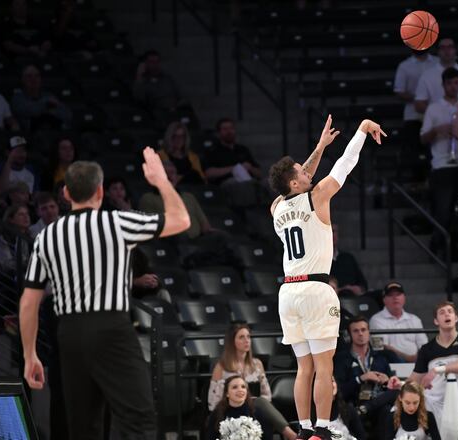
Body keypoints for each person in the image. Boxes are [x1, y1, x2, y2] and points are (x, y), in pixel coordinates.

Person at [20, 150, 192, 439]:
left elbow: (29, 302)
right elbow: (181, 220)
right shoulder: (117, 222)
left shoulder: (47, 235)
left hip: (69, 333)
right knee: (139, 419)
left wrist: (29, 355)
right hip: (111, 327)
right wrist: (161, 182)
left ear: (65, 192)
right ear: (100, 191)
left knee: (83, 428)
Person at [268, 116, 384, 440]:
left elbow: (295, 180)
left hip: (288, 292)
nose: (308, 173)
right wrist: (361, 129)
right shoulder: (317, 196)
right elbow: (345, 165)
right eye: (302, 173)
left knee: (303, 367)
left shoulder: (277, 206)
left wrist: (319, 148)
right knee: (324, 366)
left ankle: (304, 429)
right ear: (295, 183)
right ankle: (323, 427)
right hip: (316, 289)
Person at [208, 323, 297, 440]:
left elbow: (267, 395)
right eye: (241, 337)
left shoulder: (257, 364)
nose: (247, 340)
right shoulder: (221, 367)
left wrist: (250, 400)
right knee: (260, 403)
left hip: (253, 407)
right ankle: (291, 435)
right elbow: (213, 401)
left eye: (248, 337)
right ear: (232, 342)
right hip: (229, 407)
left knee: (260, 403)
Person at [420, 67, 458, 256]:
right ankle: (438, 246)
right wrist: (437, 130)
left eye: (457, 83)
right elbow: (423, 138)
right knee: (443, 210)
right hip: (442, 165)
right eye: (450, 83)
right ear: (443, 85)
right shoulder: (434, 108)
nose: (453, 86)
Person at [408, 301, 458, 425]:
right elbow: (414, 381)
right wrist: (399, 383)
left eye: (450, 312)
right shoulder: (426, 349)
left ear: (456, 318)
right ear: (436, 321)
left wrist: (436, 370)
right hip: (433, 405)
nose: (447, 315)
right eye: (442, 313)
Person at [333, 316, 402, 437]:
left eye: (363, 330)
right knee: (351, 409)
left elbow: (390, 388)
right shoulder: (342, 359)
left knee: (393, 399)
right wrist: (360, 379)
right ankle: (363, 409)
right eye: (356, 331)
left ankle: (366, 408)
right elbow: (339, 391)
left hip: (376, 405)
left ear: (369, 332)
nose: (360, 334)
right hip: (354, 405)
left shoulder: (380, 358)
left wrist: (387, 381)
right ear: (349, 335)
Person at [138, 161, 215, 239]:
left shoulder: (189, 197)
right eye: (165, 173)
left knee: (221, 237)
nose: (169, 176)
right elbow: (152, 228)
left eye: (172, 173)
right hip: (172, 242)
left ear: (177, 177)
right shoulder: (148, 199)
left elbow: (205, 225)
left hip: (197, 240)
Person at [394, 48, 439, 163]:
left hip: (436, 114)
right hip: (413, 115)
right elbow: (399, 91)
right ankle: (418, 179)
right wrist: (419, 99)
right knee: (416, 151)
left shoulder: (437, 62)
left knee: (437, 148)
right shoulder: (404, 66)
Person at [369, 282, 428, 363]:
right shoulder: (376, 320)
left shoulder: (415, 319)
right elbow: (382, 348)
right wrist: (409, 358)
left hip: (417, 363)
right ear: (384, 300)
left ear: (404, 298)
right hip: (391, 363)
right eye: (391, 295)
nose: (395, 297)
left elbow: (424, 345)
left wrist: (419, 358)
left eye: (398, 294)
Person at [204, 375, 273, 440]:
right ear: (227, 393)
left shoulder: (257, 412)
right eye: (235, 387)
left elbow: (267, 437)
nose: (240, 390)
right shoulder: (217, 414)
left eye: (243, 387)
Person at [413, 38, 458, 114]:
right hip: (436, 123)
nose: (446, 51)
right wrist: (438, 115)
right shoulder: (427, 75)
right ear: (438, 52)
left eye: (450, 47)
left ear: (455, 50)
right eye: (443, 48)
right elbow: (419, 104)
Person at [11, 64, 72, 132]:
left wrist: (50, 109)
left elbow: (67, 115)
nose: (33, 79)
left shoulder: (48, 95)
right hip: (30, 134)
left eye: (37, 76)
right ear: (22, 79)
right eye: (29, 76)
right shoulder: (18, 98)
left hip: (53, 132)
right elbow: (27, 111)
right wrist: (46, 106)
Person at [204, 118, 263, 186]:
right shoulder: (213, 151)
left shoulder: (243, 149)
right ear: (219, 132)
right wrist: (233, 168)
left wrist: (250, 168)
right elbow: (208, 173)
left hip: (248, 180)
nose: (229, 131)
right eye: (225, 129)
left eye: (231, 128)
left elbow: (259, 173)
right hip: (226, 184)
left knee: (267, 183)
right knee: (236, 183)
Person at [132, 50, 184, 121]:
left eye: (157, 61)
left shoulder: (167, 78)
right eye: (152, 62)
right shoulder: (142, 81)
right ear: (145, 63)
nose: (155, 65)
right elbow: (139, 98)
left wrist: (175, 106)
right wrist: (139, 76)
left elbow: (179, 95)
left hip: (174, 110)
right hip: (156, 113)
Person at [330, 223, 368, 297]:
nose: (333, 234)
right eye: (330, 231)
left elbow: (364, 284)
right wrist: (342, 289)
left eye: (334, 231)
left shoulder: (348, 258)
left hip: (353, 299)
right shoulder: (319, 261)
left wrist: (358, 288)